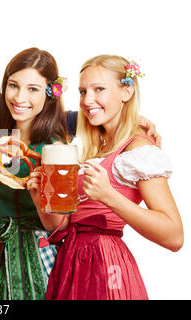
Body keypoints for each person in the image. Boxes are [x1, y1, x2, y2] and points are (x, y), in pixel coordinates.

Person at [39, 54, 183, 300]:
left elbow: (174, 235)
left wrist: (109, 196)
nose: (88, 100)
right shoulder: (100, 146)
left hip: (106, 268)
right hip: (72, 262)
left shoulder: (138, 150)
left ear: (126, 91)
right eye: (83, 91)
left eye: (99, 89)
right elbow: (40, 119)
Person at [0, 48, 72, 300]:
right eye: (13, 85)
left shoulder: (54, 151)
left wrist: (39, 199)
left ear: (49, 94)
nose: (20, 97)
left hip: (34, 256)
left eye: (33, 89)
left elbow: (60, 226)